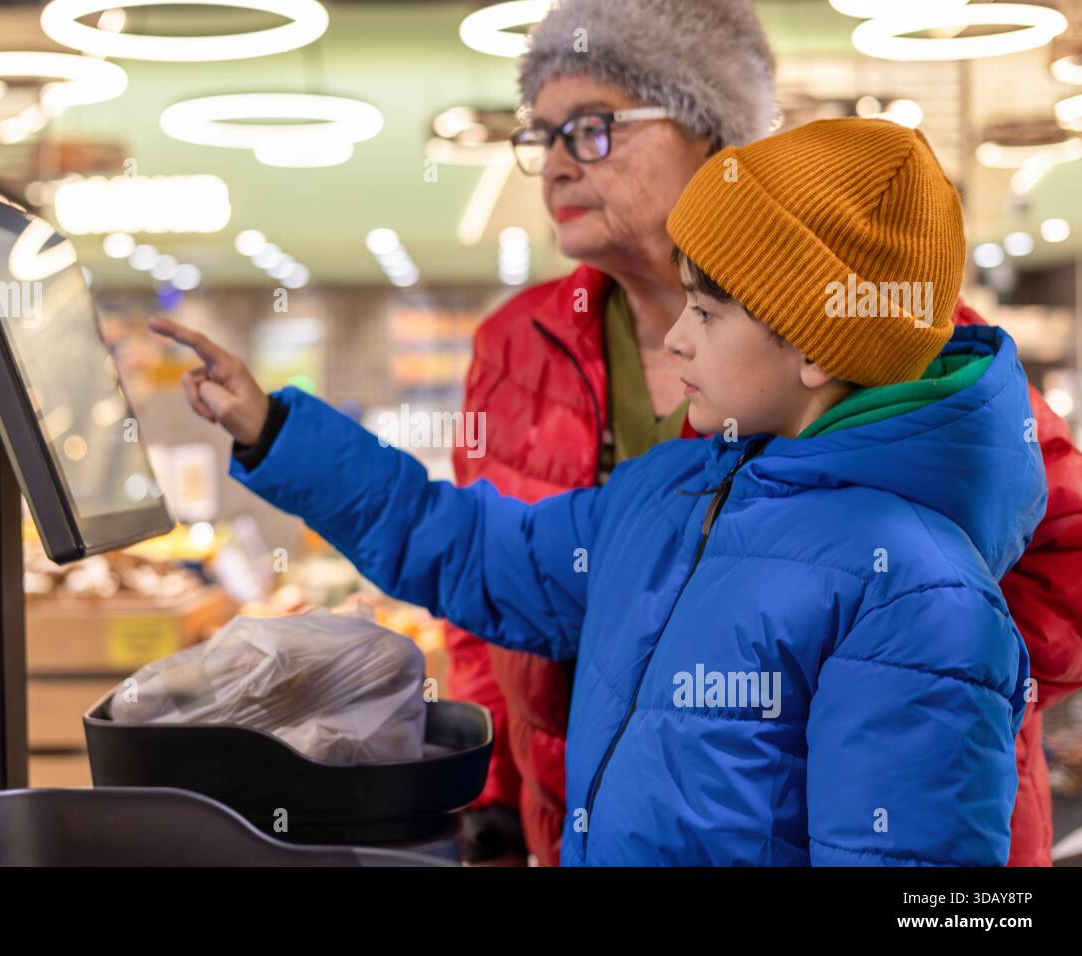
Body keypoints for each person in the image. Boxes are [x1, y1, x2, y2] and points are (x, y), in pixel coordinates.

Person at [152, 117, 1046, 865]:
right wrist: (275, 431)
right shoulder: (665, 496)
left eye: (708, 310)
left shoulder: (919, 596)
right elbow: (470, 547)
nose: (678, 341)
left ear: (815, 346)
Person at [452, 0, 1082, 866]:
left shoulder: (891, 331)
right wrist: (489, 798)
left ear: (716, 137)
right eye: (543, 134)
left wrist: (902, 670)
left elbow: (1061, 566)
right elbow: (492, 572)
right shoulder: (515, 346)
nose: (554, 165)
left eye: (593, 129)